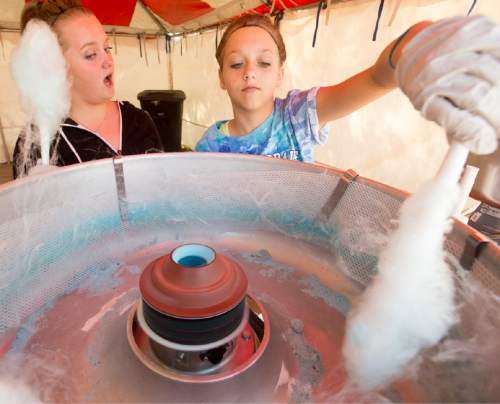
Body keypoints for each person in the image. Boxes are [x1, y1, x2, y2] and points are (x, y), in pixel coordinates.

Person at [195, 14, 499, 162]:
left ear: (280, 75)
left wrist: (410, 47)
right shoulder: (209, 146)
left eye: (263, 63)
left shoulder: (297, 115)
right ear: (221, 77)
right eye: (236, 64)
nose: (249, 73)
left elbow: (375, 79)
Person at [13, 0, 162, 179]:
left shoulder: (138, 121)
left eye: (107, 48)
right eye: (91, 54)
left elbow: (163, 193)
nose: (108, 60)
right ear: (55, 68)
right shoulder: (39, 144)